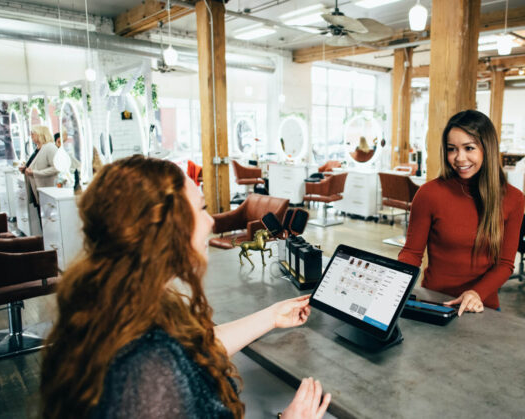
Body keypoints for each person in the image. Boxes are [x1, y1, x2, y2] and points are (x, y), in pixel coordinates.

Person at [40, 156, 330, 418]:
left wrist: (272, 316)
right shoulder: (148, 372)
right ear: (165, 228)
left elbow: (195, 348)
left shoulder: (119, 304)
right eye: (201, 208)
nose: (211, 222)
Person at [398, 110, 524, 315]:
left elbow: (505, 264)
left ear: (487, 148)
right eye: (452, 149)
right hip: (434, 302)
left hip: (481, 307)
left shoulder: (513, 198)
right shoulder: (429, 194)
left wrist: (475, 293)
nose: (459, 158)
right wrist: (395, 283)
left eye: (469, 148)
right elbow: (412, 253)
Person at [23, 125, 58, 206]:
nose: (31, 136)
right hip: (36, 187)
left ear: (40, 134)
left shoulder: (50, 148)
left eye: (33, 133)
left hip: (46, 188)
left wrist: (34, 172)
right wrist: (25, 169)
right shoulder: (38, 148)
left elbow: (56, 168)